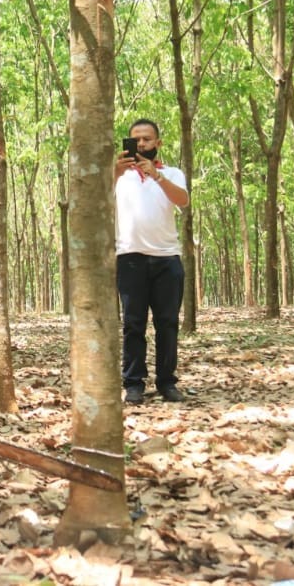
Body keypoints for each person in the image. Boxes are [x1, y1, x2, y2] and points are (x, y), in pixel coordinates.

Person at [113, 118, 190, 405]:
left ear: (158, 143)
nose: (142, 144)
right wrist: (114, 173)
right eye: (137, 139)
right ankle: (133, 384)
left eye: (147, 139)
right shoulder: (120, 177)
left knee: (167, 323)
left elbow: (182, 200)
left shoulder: (172, 173)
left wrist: (157, 177)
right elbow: (96, 199)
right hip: (130, 257)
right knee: (133, 324)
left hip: (167, 258)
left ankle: (167, 382)